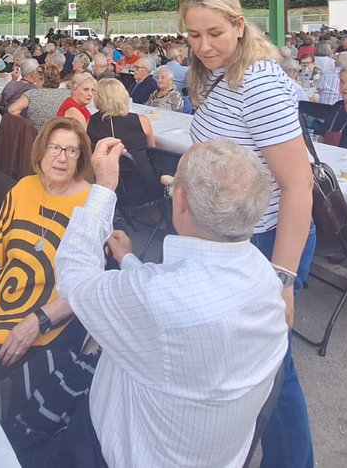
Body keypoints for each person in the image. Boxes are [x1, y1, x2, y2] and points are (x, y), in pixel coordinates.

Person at [27, 138, 286, 468]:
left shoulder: (159, 300)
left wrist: (104, 187)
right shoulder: (265, 275)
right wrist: (130, 261)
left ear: (181, 201)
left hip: (109, 453)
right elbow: (168, 296)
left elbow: (75, 279)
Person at [180, 0, 314, 468]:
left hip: (265, 240)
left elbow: (299, 186)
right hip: (234, 236)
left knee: (275, 369)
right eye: (193, 36)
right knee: (257, 366)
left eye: (214, 33)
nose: (203, 46)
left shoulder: (258, 82)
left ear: (240, 25)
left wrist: (283, 278)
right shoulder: (221, 73)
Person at [0, 117, 92, 391]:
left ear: (81, 158)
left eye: (72, 150)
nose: (62, 158)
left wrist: (39, 321)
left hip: (43, 313)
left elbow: (88, 286)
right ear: (41, 150)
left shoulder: (91, 206)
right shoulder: (24, 188)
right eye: (54, 148)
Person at [86, 77, 155, 185]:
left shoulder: (92, 121)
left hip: (107, 181)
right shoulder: (142, 121)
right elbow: (153, 152)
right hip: (142, 181)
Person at [8, 64, 69, 131]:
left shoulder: (32, 94)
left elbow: (12, 110)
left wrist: (27, 123)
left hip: (36, 134)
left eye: (36, 77)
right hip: (59, 132)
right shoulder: (67, 93)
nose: (34, 79)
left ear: (42, 80)